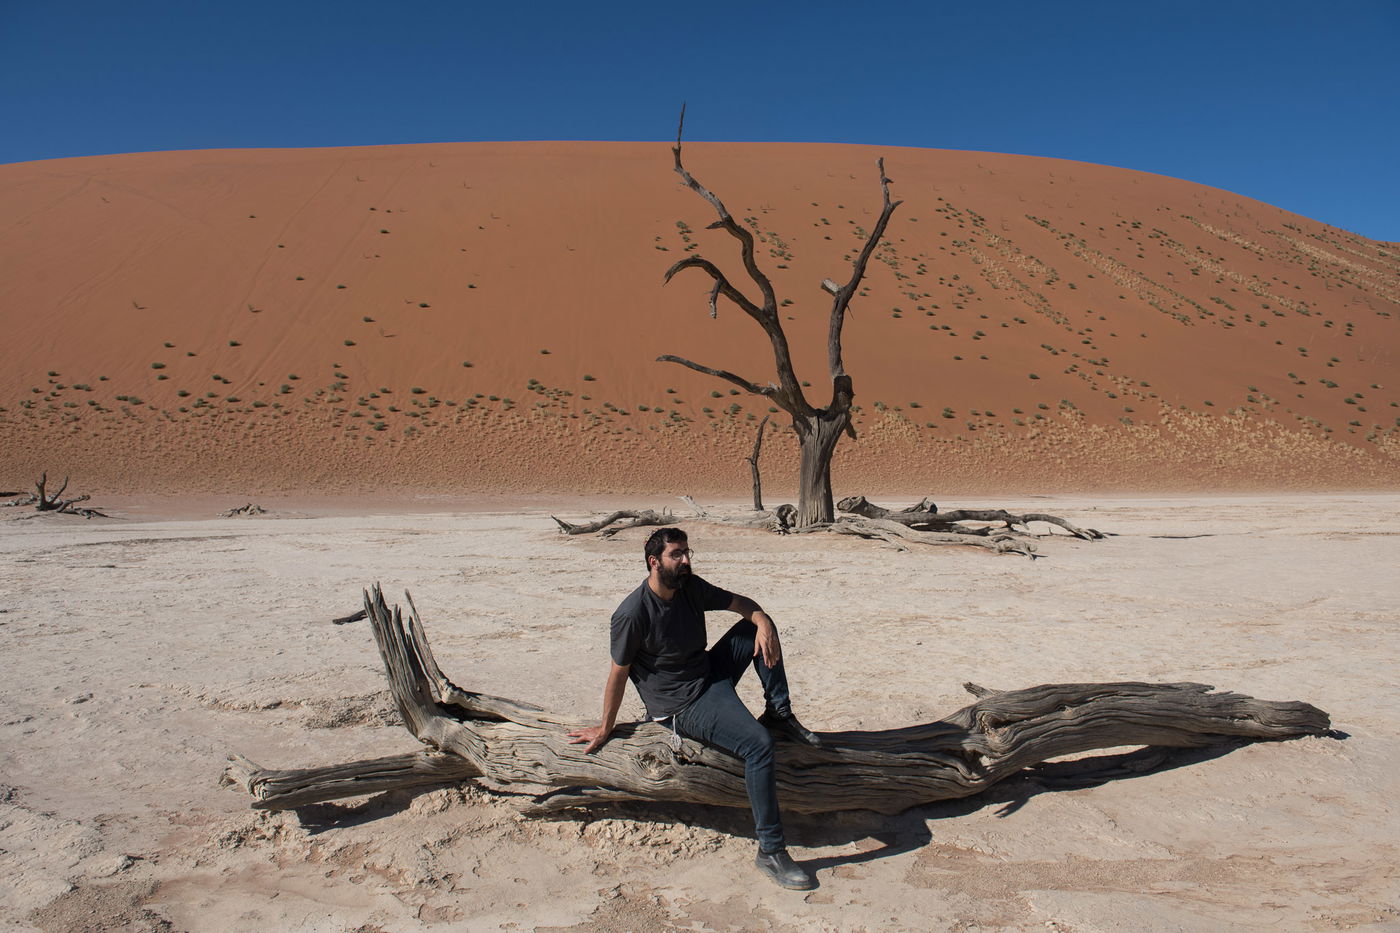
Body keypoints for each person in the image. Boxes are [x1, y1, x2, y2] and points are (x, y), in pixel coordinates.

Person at [567, 526, 822, 890]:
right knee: (759, 745)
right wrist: (605, 727)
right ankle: (771, 850)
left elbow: (743, 605)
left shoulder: (690, 586)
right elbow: (617, 674)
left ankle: (779, 714)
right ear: (654, 562)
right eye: (677, 555)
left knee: (756, 627)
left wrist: (763, 619)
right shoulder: (632, 613)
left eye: (687, 553)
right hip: (682, 703)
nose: (686, 560)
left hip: (707, 673)